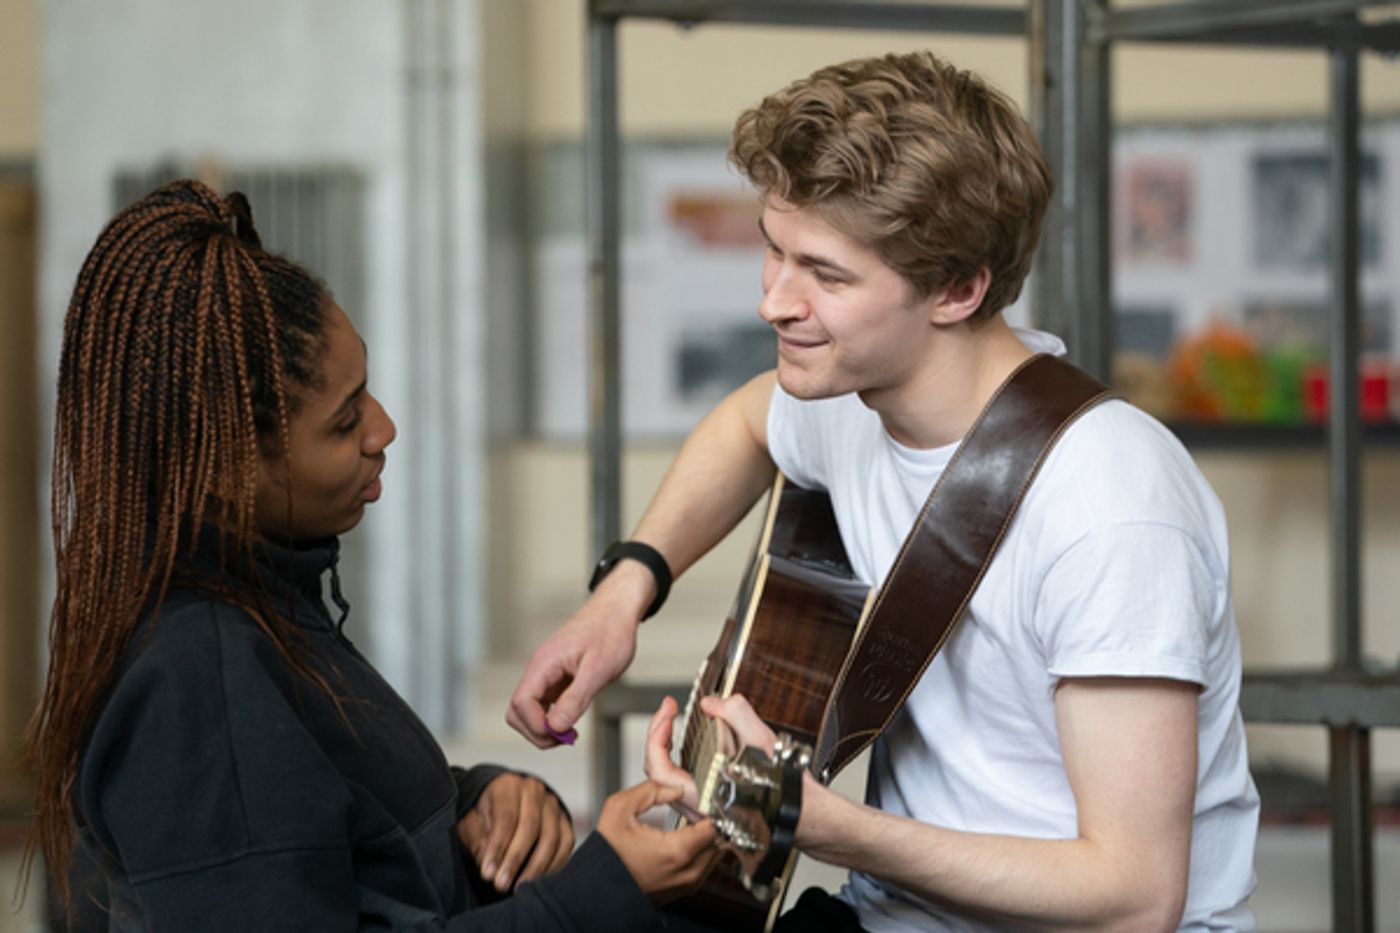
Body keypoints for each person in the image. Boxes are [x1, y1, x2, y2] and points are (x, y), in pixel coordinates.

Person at [509, 51, 1260, 932]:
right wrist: (622, 594)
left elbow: (1135, 894)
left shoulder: (1111, 505)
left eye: (826, 275)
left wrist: (834, 828)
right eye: (772, 250)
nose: (774, 304)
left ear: (958, 288)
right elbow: (747, 425)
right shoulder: (847, 399)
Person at [23, 179, 719, 932]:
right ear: (225, 467)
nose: (383, 427)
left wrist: (481, 803)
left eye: (369, 392)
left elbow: (340, 824)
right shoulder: (202, 680)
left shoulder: (266, 606)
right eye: (344, 419)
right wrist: (598, 890)